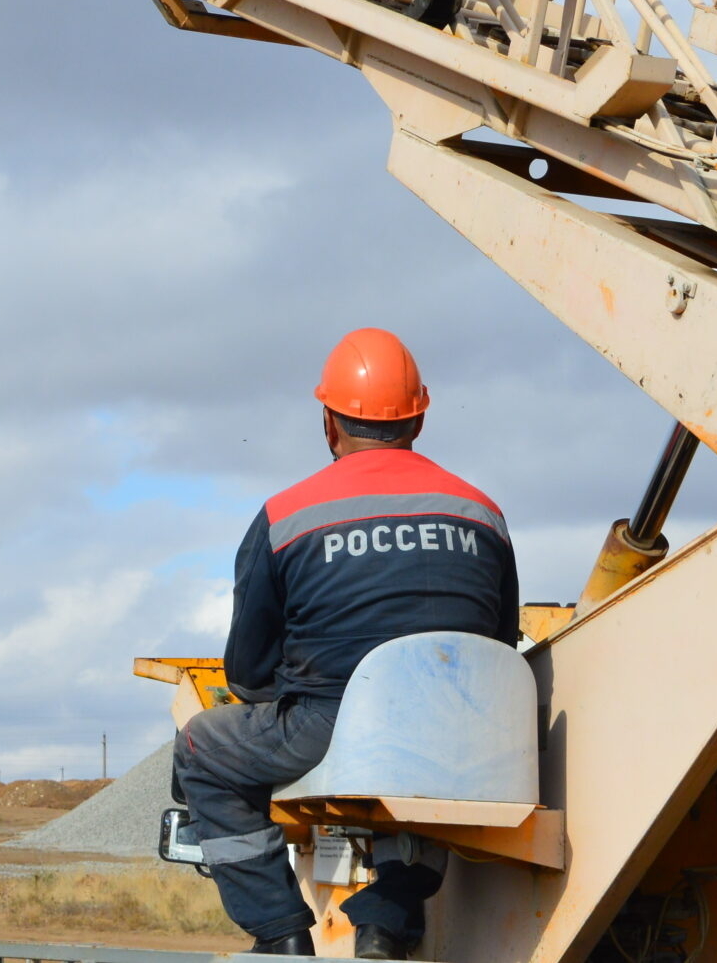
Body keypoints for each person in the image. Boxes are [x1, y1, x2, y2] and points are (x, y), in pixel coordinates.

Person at [173, 328, 519, 960]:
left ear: (328, 423)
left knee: (202, 747)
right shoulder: (483, 513)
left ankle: (280, 932)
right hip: (461, 727)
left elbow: (247, 673)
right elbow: (498, 644)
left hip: (331, 722)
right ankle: (386, 922)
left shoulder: (286, 516)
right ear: (419, 419)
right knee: (428, 756)